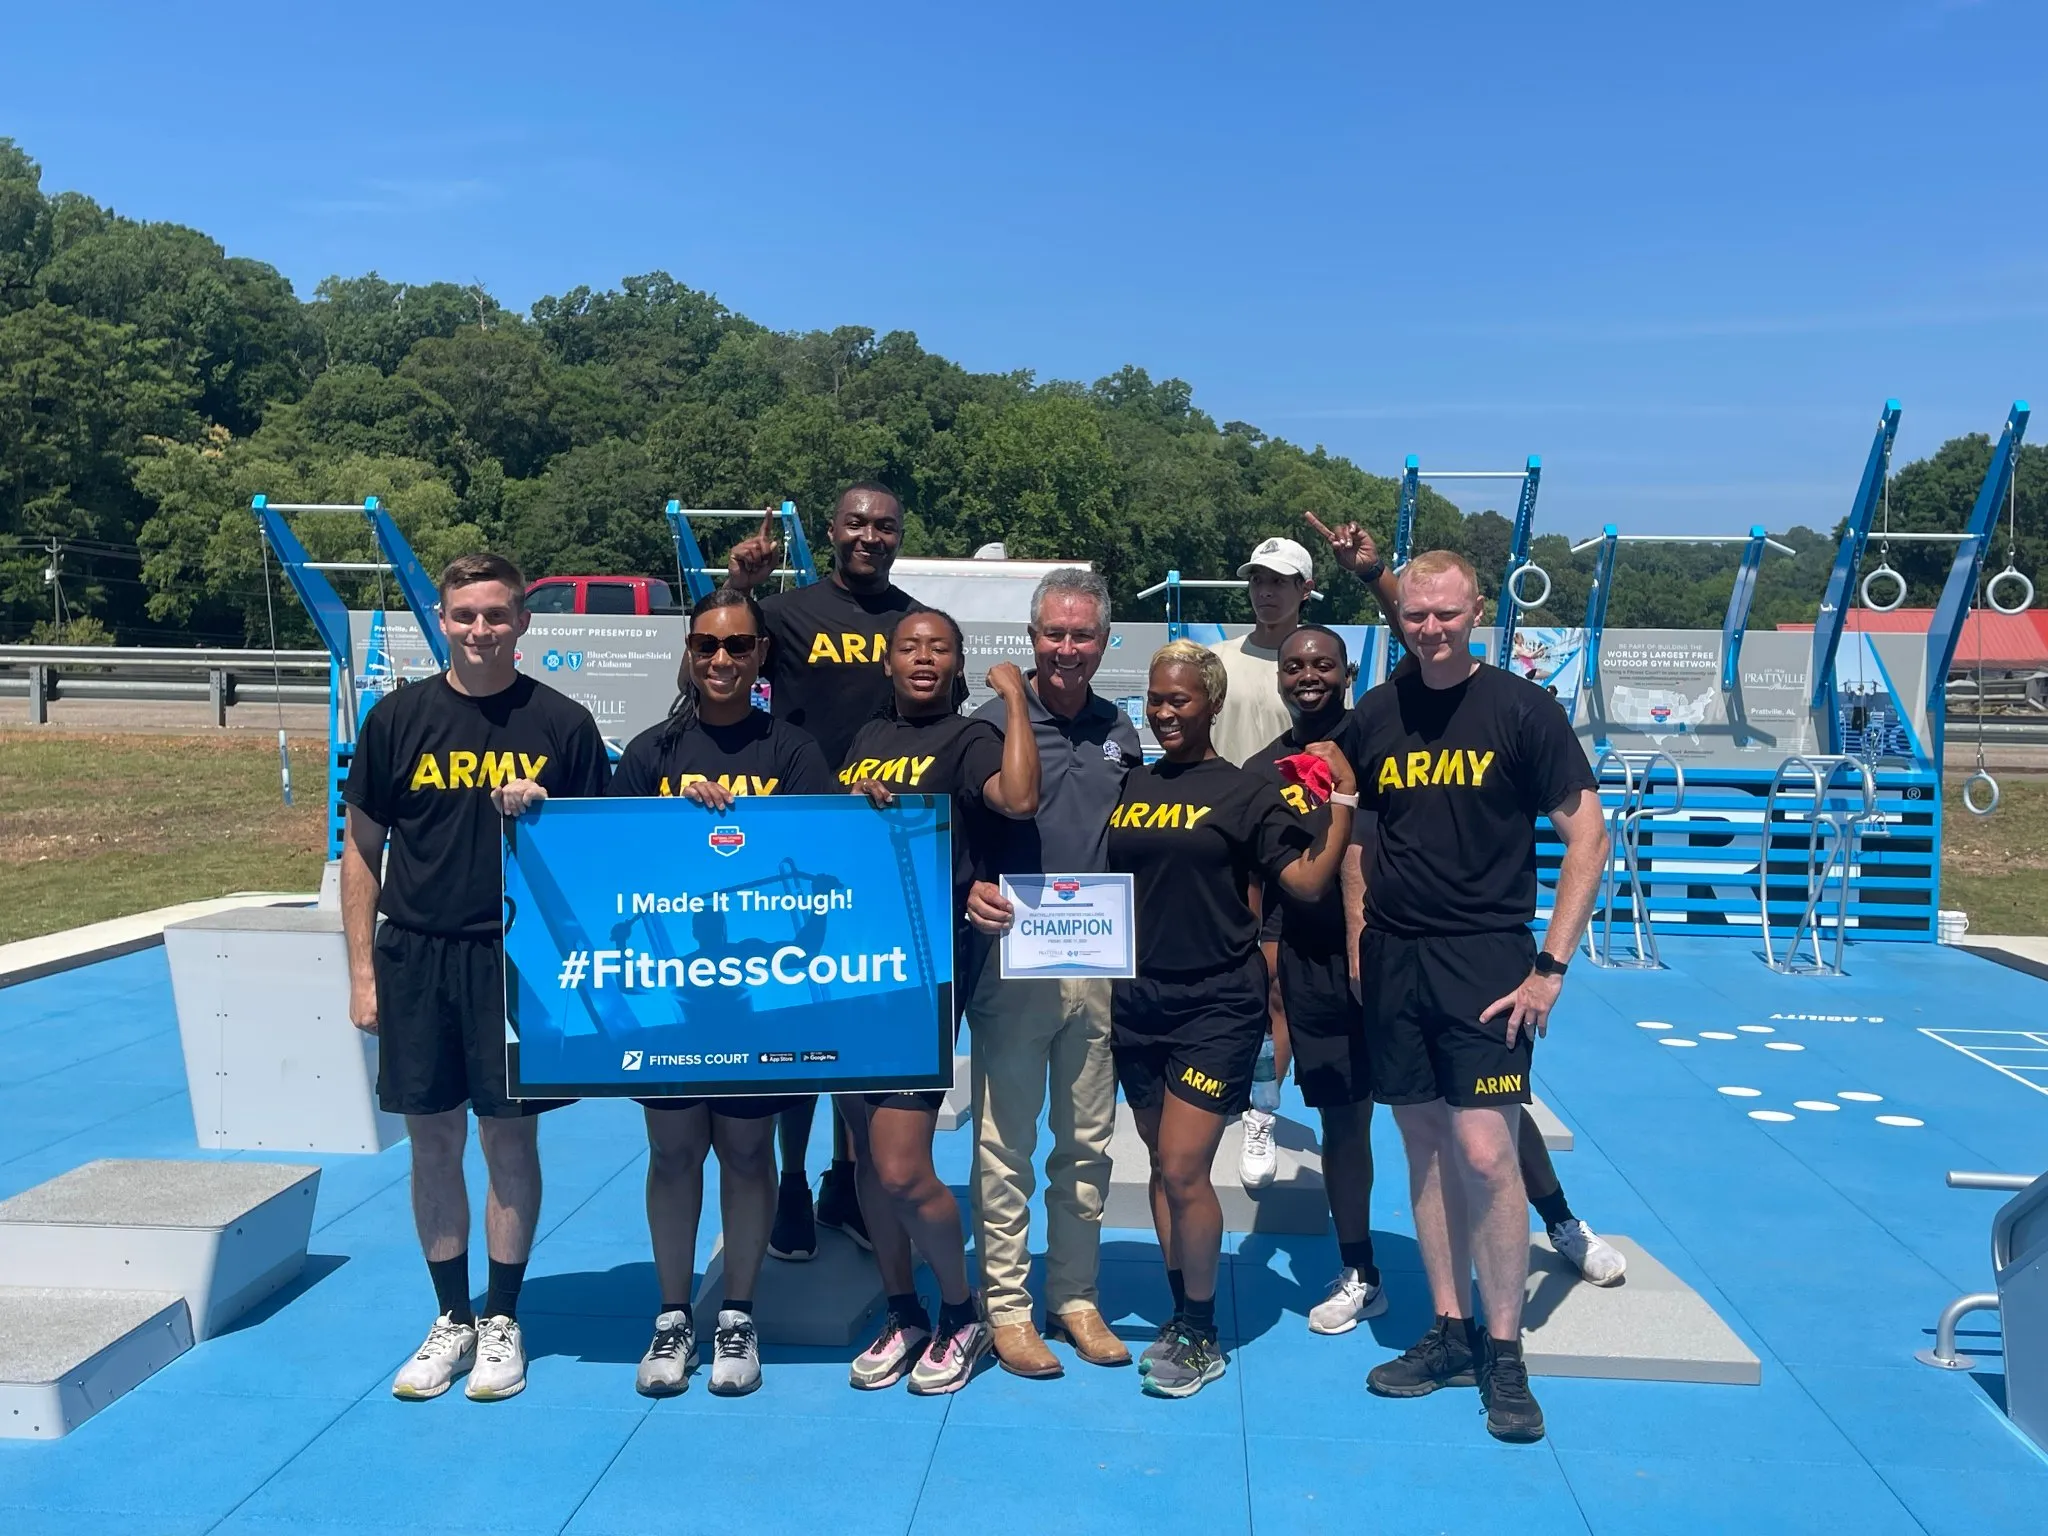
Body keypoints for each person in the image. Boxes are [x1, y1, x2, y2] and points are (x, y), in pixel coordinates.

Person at [1340, 551, 1609, 1445]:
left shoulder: (1522, 710)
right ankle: (1449, 1330)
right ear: (1400, 617)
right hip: (1396, 957)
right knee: (1420, 1148)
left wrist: (1552, 966)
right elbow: (1353, 833)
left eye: (1448, 615)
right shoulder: (1377, 714)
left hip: (1489, 960)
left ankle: (1504, 1352)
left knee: (1487, 1153)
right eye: (1417, 615)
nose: (1432, 629)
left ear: (1477, 613)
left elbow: (1588, 836)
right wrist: (1356, 946)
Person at [341, 553, 609, 1403]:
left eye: (496, 614)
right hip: (417, 955)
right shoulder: (396, 719)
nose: (481, 630)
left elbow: (602, 859)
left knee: (508, 1138)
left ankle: (502, 1318)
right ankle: (450, 1317)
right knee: (432, 1142)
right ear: (442, 620)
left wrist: (548, 815)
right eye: (464, 615)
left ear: (524, 622)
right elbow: (360, 849)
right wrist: (360, 972)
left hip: (513, 959)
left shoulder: (563, 725)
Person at [607, 587, 839, 1399]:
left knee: (746, 1152)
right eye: (707, 644)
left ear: (760, 655)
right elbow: (610, 874)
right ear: (688, 649)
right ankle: (673, 1315)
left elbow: (825, 877)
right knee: (673, 1152)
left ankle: (737, 1313)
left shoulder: (796, 754)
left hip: (756, 999)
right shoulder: (649, 754)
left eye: (738, 646)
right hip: (673, 999)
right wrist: (679, 825)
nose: (721, 660)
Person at [1108, 640, 1357, 1399]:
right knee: (1159, 1166)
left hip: (1218, 1000)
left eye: (1179, 699)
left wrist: (1341, 804)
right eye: (1154, 698)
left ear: (1211, 704)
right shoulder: (1131, 783)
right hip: (1137, 999)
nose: (1163, 711)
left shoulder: (1246, 791)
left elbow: (1309, 881)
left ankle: (1201, 1330)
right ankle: (1181, 1308)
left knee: (1185, 1166)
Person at [838, 611, 1040, 1394]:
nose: (924, 658)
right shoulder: (863, 737)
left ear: (957, 663)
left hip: (924, 973)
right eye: (909, 647)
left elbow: (1019, 800)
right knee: (863, 1153)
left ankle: (963, 1311)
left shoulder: (968, 738)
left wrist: (1013, 700)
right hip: (852, 969)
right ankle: (904, 1310)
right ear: (886, 661)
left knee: (901, 1166)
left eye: (940, 648)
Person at [725, 482, 925, 1261]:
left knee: (854, 1014)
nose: (870, 536)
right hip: (797, 837)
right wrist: (740, 583)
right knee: (792, 1014)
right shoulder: (785, 613)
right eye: (856, 523)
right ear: (833, 531)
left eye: (884, 526)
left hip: (877, 844)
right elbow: (711, 657)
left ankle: (848, 1179)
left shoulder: (912, 623)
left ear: (899, 537)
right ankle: (792, 1183)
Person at [955, 568, 1137, 1378]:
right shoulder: (989, 723)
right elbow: (953, 829)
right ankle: (1007, 1306)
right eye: (1054, 635)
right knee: (1006, 1142)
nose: (1068, 649)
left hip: (1097, 960)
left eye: (1083, 635)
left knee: (1090, 1141)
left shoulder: (1120, 728)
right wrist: (969, 890)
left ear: (1105, 641)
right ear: (1032, 639)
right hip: (1015, 961)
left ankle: (1074, 1292)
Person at [1212, 520, 1399, 1189]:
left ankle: (1556, 1211)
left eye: (1281, 582)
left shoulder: (1374, 727)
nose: (1306, 675)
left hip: (1386, 924)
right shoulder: (1251, 728)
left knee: (1465, 1101)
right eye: (1258, 580)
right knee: (1271, 1004)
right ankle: (1262, 1111)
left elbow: (1420, 639)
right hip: (1273, 861)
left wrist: (1375, 575)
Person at [1243, 625, 1386, 1334]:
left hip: (1400, 953)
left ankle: (1559, 1217)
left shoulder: (1381, 739)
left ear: (1346, 670)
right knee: (1344, 1118)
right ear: (1278, 676)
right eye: (1295, 665)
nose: (1308, 675)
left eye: (1322, 664)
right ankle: (1362, 1270)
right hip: (1315, 963)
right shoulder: (1265, 768)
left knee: (1480, 1113)